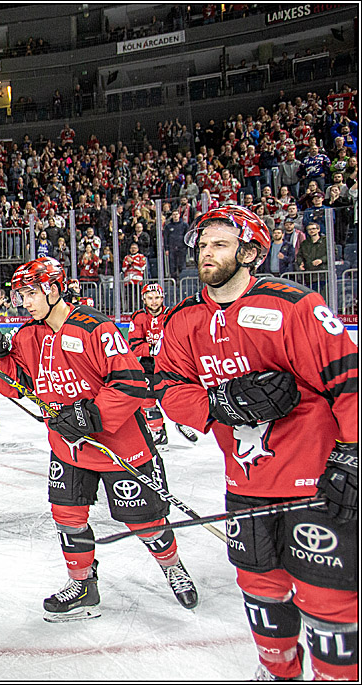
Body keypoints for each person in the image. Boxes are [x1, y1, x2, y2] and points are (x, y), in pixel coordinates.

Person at [156, 205, 357, 681]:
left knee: (328, 600)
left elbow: (349, 381)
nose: (206, 252)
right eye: (203, 244)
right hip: (245, 485)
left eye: (220, 244)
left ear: (249, 252)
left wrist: (352, 454)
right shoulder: (183, 320)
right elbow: (167, 386)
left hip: (317, 484)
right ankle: (276, 670)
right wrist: (218, 404)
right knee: (260, 591)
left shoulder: (295, 305)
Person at [0, 257, 199, 621]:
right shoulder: (28, 336)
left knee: (146, 521)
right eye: (20, 295)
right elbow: (17, 385)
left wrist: (91, 415)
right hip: (68, 447)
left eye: (31, 293)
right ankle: (83, 584)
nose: (24, 302)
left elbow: (131, 383)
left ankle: (172, 567)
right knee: (68, 517)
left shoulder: (94, 327)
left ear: (54, 289)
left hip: (118, 445)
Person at [127, 283, 197, 448]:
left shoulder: (172, 315)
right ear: (144, 299)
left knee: (175, 395)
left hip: (170, 363)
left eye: (157, 297)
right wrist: (154, 349)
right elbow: (134, 346)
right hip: (149, 364)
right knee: (147, 399)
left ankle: (182, 421)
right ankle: (158, 432)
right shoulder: (138, 317)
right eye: (150, 298)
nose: (154, 301)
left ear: (162, 298)